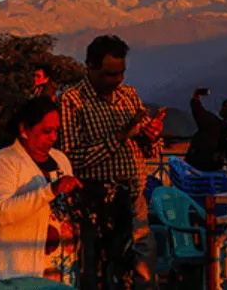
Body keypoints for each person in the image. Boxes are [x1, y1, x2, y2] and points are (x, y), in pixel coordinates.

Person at [59, 35, 164, 290]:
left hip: (133, 197)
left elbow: (150, 150)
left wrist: (151, 137)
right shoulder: (72, 101)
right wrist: (119, 137)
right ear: (90, 67)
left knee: (142, 259)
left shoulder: (129, 96)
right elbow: (72, 158)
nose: (117, 80)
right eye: (109, 74)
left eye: (121, 73)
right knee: (99, 267)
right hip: (95, 203)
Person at [0, 97, 84, 285]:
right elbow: (1, 212)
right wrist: (50, 190)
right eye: (47, 131)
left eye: (56, 131)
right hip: (20, 272)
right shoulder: (4, 162)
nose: (53, 137)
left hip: (63, 267)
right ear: (24, 130)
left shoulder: (60, 159)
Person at [185, 89, 227, 172]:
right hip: (212, 164)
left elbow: (198, 112)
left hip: (201, 162)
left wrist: (195, 98)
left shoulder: (213, 123)